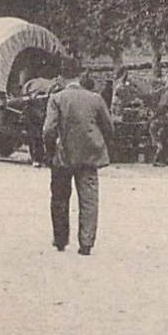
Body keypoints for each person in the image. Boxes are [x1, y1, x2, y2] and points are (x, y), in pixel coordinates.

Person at [43, 73, 114, 255]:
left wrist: (50, 151)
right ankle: (86, 243)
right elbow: (109, 127)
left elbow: (48, 130)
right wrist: (99, 144)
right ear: (80, 77)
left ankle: (60, 240)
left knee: (59, 198)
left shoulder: (56, 98)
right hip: (89, 155)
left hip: (63, 156)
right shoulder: (95, 99)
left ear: (63, 78)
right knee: (89, 199)